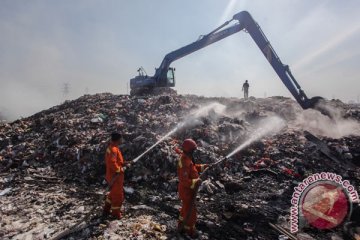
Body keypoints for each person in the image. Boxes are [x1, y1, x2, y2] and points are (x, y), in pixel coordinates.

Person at [177, 139, 208, 238]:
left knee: (185, 209)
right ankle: (189, 230)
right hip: (186, 191)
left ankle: (181, 224)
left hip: (189, 190)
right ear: (189, 150)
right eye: (193, 150)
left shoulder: (188, 159)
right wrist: (195, 182)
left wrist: (204, 167)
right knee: (191, 212)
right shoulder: (184, 162)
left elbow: (194, 168)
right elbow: (184, 180)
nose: (194, 152)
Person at [103, 132, 129, 219]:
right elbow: (112, 163)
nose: (122, 140)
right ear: (118, 139)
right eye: (121, 138)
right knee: (118, 195)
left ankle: (106, 209)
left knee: (113, 193)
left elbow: (116, 161)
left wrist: (125, 163)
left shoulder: (112, 148)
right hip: (115, 176)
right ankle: (115, 214)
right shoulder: (114, 149)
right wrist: (120, 169)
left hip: (111, 175)